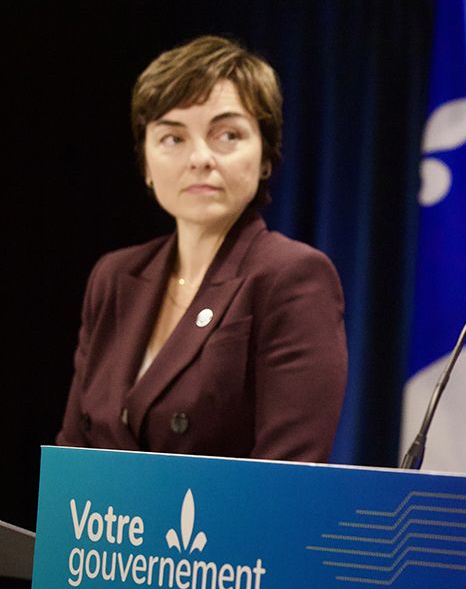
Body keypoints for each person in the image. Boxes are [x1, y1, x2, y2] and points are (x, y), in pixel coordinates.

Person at [57, 35, 347, 462]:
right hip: (103, 509)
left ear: (265, 156)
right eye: (173, 138)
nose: (199, 158)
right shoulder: (113, 276)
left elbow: (287, 475)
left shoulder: (294, 278)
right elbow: (71, 457)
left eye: (227, 134)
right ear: (146, 164)